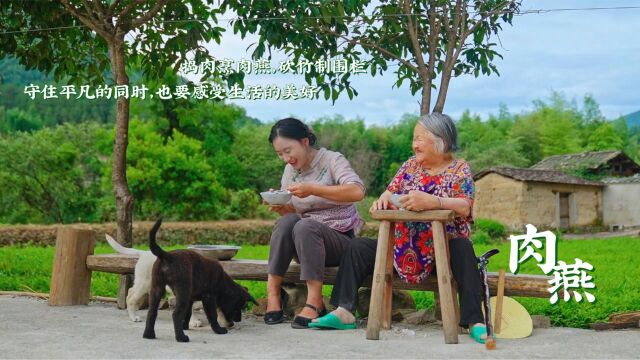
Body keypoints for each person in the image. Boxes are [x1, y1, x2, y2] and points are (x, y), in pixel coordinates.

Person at [310, 113, 488, 344]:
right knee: (358, 247)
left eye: (419, 139)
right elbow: (389, 192)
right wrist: (382, 201)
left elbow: (465, 206)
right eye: (414, 138)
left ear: (440, 140)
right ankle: (344, 311)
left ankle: (475, 321)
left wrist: (435, 202)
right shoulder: (409, 167)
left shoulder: (459, 169)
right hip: (402, 250)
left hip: (441, 253)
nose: (414, 144)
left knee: (463, 248)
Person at [264, 117, 366, 329]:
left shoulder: (332, 160)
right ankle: (273, 294)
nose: (285, 158)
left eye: (288, 150)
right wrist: (281, 207)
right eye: (280, 154)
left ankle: (315, 302)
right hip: (306, 244)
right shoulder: (290, 171)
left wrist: (314, 188)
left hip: (339, 241)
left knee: (304, 225)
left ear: (304, 141)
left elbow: (357, 191)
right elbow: (293, 211)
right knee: (287, 222)